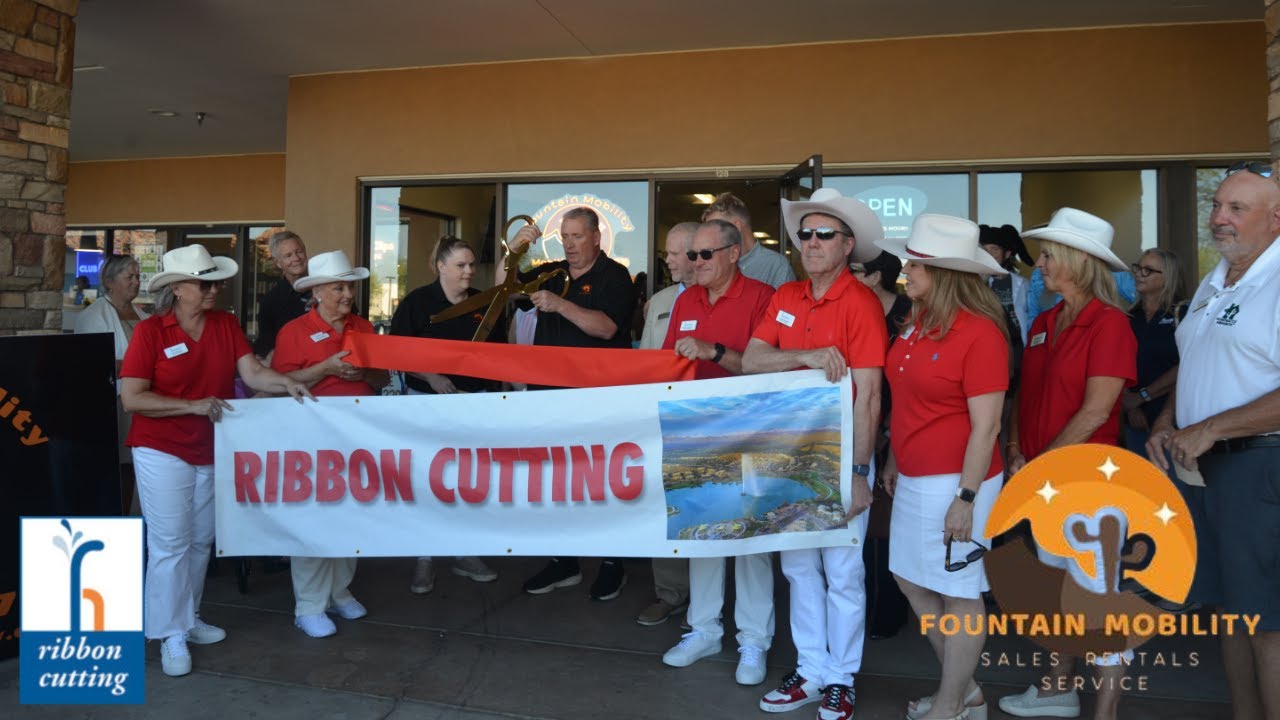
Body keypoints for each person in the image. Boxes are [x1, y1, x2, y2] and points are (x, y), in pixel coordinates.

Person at [120, 244, 313, 677]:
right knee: (169, 542)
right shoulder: (152, 332)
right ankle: (169, 632)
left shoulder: (225, 324)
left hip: (209, 446)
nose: (214, 288)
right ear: (177, 289)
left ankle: (187, 618)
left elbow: (252, 373)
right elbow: (131, 398)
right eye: (203, 282)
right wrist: (190, 406)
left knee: (200, 540)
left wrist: (286, 382)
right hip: (160, 447)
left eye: (215, 280)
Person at [743, 187, 886, 720]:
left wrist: (857, 472)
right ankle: (811, 670)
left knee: (843, 573)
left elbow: (869, 395)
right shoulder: (787, 298)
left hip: (842, 455)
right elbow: (751, 361)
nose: (812, 242)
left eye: (825, 234)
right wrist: (805, 356)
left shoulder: (862, 304)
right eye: (805, 233)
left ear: (847, 246)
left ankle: (841, 678)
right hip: (789, 457)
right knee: (800, 568)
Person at [1148, 162, 1280, 720]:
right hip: (1204, 468)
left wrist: (1212, 428)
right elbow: (1198, 360)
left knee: (1267, 620)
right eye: (1216, 205)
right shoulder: (1217, 277)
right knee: (1229, 611)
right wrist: (1168, 420)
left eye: (1236, 209)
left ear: (1276, 218)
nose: (1218, 218)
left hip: (1258, 466)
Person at [1001, 208, 1137, 720]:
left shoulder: (1110, 324)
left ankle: (1105, 711)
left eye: (1051, 255)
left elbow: (1097, 411)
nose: (1040, 264)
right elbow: (1024, 398)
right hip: (1045, 482)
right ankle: (1059, 688)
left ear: (1081, 262)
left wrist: (1042, 466)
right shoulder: (1043, 321)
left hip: (1090, 486)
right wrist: (1016, 451)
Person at [876, 215, 1010, 720]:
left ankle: (952, 703)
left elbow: (987, 426)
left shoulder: (980, 336)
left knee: (960, 592)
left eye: (915, 264)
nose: (905, 271)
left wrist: (967, 497)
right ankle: (966, 689)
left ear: (945, 273)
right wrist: (892, 456)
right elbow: (907, 401)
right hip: (913, 476)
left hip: (958, 481)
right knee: (910, 578)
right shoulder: (915, 325)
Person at [658, 220, 776, 685]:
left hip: (750, 433)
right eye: (692, 255)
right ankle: (704, 630)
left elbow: (765, 366)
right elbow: (668, 364)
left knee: (751, 543)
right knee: (700, 536)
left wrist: (712, 350)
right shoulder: (685, 299)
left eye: (705, 254)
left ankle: (754, 642)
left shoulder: (762, 298)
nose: (695, 263)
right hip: (695, 433)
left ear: (733, 253)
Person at [501, 207, 636, 600]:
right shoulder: (552, 271)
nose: (570, 244)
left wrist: (560, 305)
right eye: (564, 236)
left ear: (597, 237)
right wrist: (514, 253)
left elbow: (608, 327)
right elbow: (503, 290)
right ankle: (565, 561)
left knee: (604, 480)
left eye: (577, 236)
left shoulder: (616, 276)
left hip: (598, 398)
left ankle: (613, 562)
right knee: (557, 481)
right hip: (549, 395)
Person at [271, 251, 385, 638]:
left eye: (349, 286)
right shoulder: (294, 331)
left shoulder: (364, 326)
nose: (347, 294)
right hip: (313, 439)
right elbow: (281, 385)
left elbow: (382, 379)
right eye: (338, 287)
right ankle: (309, 604)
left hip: (357, 436)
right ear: (316, 292)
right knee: (316, 517)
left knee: (353, 515)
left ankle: (339, 590)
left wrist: (365, 371)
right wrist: (326, 369)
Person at [390, 237, 503, 593]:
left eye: (471, 264)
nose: (469, 271)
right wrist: (430, 376)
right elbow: (395, 354)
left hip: (475, 407)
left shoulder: (486, 302)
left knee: (468, 482)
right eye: (460, 265)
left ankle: (464, 552)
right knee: (429, 482)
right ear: (440, 266)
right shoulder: (417, 303)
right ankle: (424, 559)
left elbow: (502, 354)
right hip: (427, 407)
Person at [635, 221, 698, 627]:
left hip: (708, 422)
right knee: (668, 507)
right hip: (662, 419)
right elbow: (643, 361)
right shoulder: (658, 300)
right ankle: (670, 593)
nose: (668, 259)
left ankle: (712, 602)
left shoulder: (721, 300)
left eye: (675, 253)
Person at [849, 249, 911, 641]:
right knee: (869, 528)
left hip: (897, 427)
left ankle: (888, 613)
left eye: (855, 270)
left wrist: (891, 426)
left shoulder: (908, 314)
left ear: (875, 277)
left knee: (891, 526)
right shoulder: (856, 310)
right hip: (864, 424)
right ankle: (867, 612)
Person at [75, 254, 150, 515]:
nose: (136, 282)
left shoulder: (142, 314)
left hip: (145, 401)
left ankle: (138, 519)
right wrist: (142, 369)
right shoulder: (93, 316)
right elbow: (95, 362)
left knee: (142, 465)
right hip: (116, 403)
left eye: (138, 276)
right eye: (129, 276)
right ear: (109, 282)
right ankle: (121, 521)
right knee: (123, 466)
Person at [1122, 249, 1185, 458]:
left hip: (1173, 416)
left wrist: (1142, 396)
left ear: (1167, 276)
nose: (1139, 273)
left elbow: (1188, 365)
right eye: (1138, 268)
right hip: (1134, 418)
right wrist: (1130, 404)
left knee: (1172, 486)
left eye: (1148, 270)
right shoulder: (1129, 317)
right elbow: (1120, 366)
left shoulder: (1183, 313)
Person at [703, 192, 796, 288]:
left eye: (715, 231)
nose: (710, 239)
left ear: (736, 227)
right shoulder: (712, 264)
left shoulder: (776, 266)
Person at [254, 230, 310, 360]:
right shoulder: (270, 302)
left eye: (299, 252)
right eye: (288, 255)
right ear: (278, 262)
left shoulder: (327, 288)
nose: (296, 258)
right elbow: (265, 343)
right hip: (293, 368)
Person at [978, 224, 1032, 350]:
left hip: (1017, 347)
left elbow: (1030, 315)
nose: (989, 254)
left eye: (994, 249)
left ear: (1007, 254)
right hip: (990, 344)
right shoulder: (977, 283)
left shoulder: (1022, 284)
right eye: (985, 250)